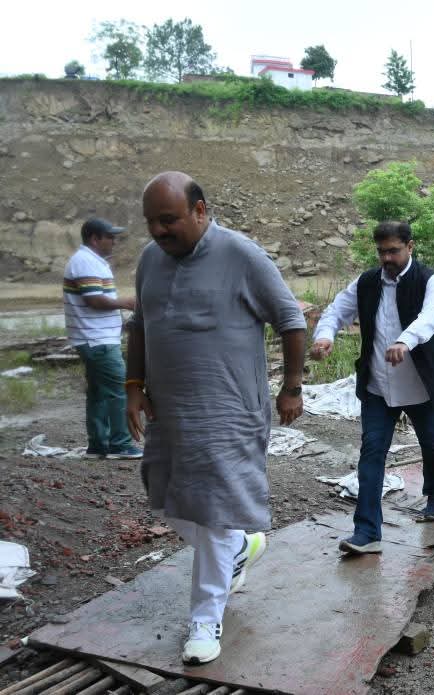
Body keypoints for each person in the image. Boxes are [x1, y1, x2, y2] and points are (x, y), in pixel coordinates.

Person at [126, 172, 306, 665]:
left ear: (200, 211)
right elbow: (140, 324)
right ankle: (240, 551)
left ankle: (205, 619)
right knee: (167, 499)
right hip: (170, 412)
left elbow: (292, 320)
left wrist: (291, 386)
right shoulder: (149, 260)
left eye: (169, 220)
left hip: (230, 413)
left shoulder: (240, 254)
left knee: (214, 512)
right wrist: (133, 387)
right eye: (151, 223)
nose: (159, 232)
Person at [311, 221, 434, 555]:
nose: (387, 258)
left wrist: (405, 341)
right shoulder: (366, 282)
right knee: (372, 452)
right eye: (382, 252)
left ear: (410, 246)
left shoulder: (428, 279)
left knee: (432, 443)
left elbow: (431, 317)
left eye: (393, 250)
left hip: (419, 384)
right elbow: (337, 309)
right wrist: (325, 335)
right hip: (378, 384)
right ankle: (367, 531)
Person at [62, 217, 142, 460]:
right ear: (95, 238)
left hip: (94, 338)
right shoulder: (85, 262)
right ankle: (120, 443)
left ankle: (98, 444)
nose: (114, 242)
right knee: (120, 389)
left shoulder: (92, 261)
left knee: (98, 392)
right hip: (96, 340)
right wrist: (127, 302)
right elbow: (94, 300)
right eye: (110, 237)